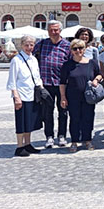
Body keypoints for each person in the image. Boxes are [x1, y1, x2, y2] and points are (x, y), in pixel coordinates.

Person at [59, 39, 103, 152]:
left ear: (84, 49)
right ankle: (74, 141)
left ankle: (87, 140)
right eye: (75, 48)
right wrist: (63, 97)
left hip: (88, 96)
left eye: (80, 48)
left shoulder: (92, 63)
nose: (78, 51)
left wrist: (96, 80)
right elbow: (62, 82)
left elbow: (99, 74)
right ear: (71, 51)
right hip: (73, 96)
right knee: (74, 119)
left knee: (88, 118)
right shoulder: (67, 65)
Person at [33, 20, 71, 149]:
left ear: (60, 30)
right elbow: (30, 56)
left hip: (62, 84)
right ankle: (49, 136)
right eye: (51, 30)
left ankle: (62, 135)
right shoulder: (42, 44)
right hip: (46, 84)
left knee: (63, 111)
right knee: (47, 112)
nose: (53, 32)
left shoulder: (67, 45)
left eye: (56, 30)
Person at [6, 35, 43, 157]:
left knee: (29, 121)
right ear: (21, 45)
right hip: (21, 95)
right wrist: (16, 97)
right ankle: (19, 146)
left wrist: (41, 90)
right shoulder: (16, 60)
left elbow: (37, 77)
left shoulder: (34, 59)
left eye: (31, 45)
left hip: (32, 94)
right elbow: (12, 81)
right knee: (21, 121)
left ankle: (27, 144)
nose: (29, 47)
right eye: (26, 45)